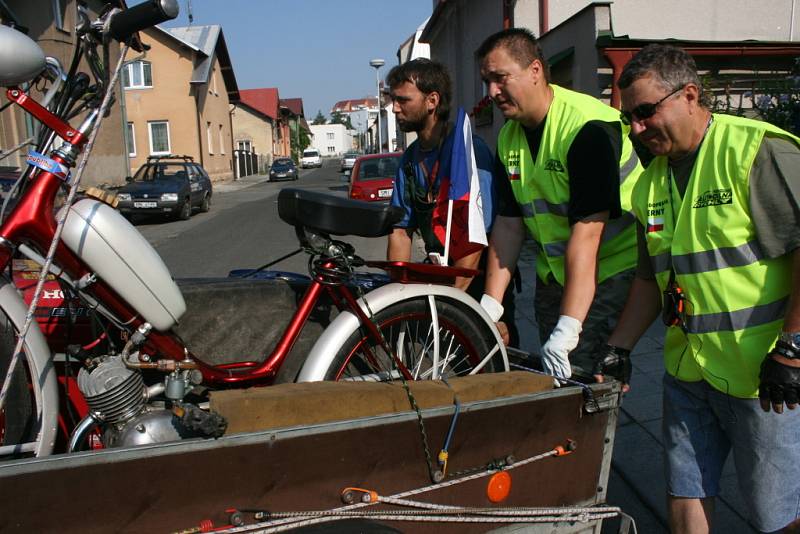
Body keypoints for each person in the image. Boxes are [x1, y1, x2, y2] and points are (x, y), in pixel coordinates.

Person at [600, 43, 800, 533]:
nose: (637, 129)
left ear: (690, 95)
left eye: (646, 113)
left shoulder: (755, 152)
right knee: (686, 489)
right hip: (690, 369)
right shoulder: (651, 185)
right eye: (630, 118)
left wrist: (793, 348)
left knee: (778, 513)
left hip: (764, 378)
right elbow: (650, 279)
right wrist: (618, 348)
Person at [476, 28, 642, 382]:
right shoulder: (510, 136)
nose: (492, 92)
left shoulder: (587, 128)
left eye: (500, 78)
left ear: (535, 70)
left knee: (583, 374)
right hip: (555, 271)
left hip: (609, 266)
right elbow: (508, 224)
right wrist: (491, 303)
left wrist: (570, 327)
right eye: (486, 81)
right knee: (557, 375)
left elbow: (588, 235)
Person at [385, 58, 519, 346]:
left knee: (493, 367)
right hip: (443, 274)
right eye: (393, 100)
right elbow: (399, 231)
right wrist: (395, 298)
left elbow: (476, 237)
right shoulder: (409, 161)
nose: (395, 108)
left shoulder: (469, 152)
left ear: (432, 100)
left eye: (402, 100)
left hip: (482, 280)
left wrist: (452, 305)